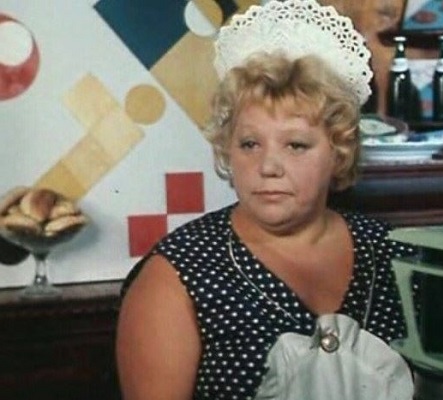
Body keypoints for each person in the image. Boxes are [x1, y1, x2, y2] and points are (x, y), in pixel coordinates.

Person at [116, 1, 415, 399]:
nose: (268, 167)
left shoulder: (395, 254)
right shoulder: (176, 275)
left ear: (338, 151)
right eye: (250, 144)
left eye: (296, 145)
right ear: (227, 148)